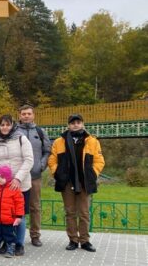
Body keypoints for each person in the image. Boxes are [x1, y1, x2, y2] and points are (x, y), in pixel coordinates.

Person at [48, 113, 105, 252]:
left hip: (84, 182)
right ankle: (73, 240)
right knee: (70, 212)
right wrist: (57, 174)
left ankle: (85, 241)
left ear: (83, 124)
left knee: (84, 213)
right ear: (68, 125)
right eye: (73, 122)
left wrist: (92, 174)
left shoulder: (92, 141)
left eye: (78, 122)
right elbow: (52, 160)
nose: (75, 124)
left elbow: (99, 160)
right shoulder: (58, 142)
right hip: (67, 183)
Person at [0, 114, 33, 256]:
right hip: (1, 185)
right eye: (2, 125)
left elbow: (29, 160)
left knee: (19, 215)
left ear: (12, 125)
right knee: (2, 214)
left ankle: (18, 244)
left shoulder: (21, 139)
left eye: (7, 124)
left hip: (19, 184)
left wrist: (18, 178)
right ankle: (6, 243)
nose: (5, 127)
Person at [16, 104, 52, 247]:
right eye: (23, 113)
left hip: (35, 175)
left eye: (29, 113)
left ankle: (35, 235)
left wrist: (41, 165)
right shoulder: (14, 131)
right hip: (17, 177)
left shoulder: (40, 131)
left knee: (35, 206)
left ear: (33, 115)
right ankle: (15, 234)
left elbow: (47, 151)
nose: (26, 116)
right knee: (15, 206)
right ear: (19, 115)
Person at [0, 165, 25, 258]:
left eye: (2, 177)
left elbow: (19, 203)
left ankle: (11, 248)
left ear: (8, 178)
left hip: (9, 219)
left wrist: (19, 216)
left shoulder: (14, 188)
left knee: (9, 235)